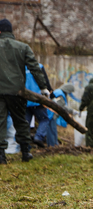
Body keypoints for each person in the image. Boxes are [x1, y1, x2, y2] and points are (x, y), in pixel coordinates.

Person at [0, 19, 50, 164]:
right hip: (17, 91)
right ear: (11, 32)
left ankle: (1, 155)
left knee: (0, 121)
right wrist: (43, 88)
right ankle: (25, 152)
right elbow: (35, 68)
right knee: (21, 121)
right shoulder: (23, 47)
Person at [25, 64, 53, 147]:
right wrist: (51, 93)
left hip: (25, 100)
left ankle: (25, 144)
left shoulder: (20, 65)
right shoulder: (38, 66)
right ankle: (39, 137)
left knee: (26, 122)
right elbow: (45, 81)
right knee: (44, 119)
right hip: (37, 99)